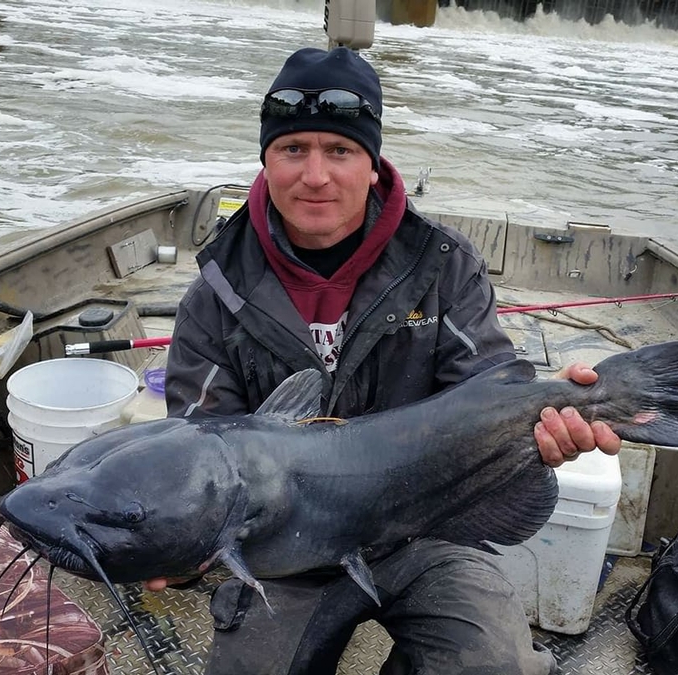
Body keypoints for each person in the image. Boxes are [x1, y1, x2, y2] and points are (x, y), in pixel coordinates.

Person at [152, 46, 621, 675]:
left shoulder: (443, 264)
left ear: (372, 165)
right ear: (265, 158)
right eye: (293, 149)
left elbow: (483, 386)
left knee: (493, 666)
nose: (315, 175)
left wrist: (537, 418)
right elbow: (201, 447)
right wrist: (175, 545)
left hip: (429, 527)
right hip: (286, 550)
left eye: (340, 151)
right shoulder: (216, 292)